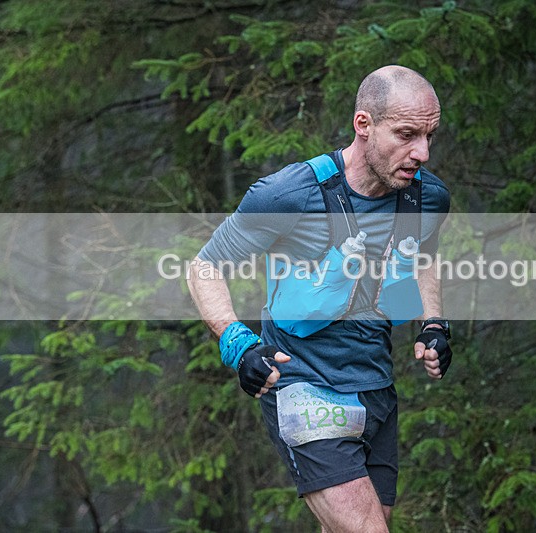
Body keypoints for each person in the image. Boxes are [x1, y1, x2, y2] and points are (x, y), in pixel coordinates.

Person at [187, 65, 452, 532]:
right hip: (304, 387)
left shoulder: (424, 197)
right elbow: (205, 268)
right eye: (407, 134)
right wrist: (237, 343)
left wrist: (434, 323)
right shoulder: (289, 194)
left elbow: (423, 255)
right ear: (363, 124)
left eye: (429, 136)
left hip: (375, 387)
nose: (422, 153)